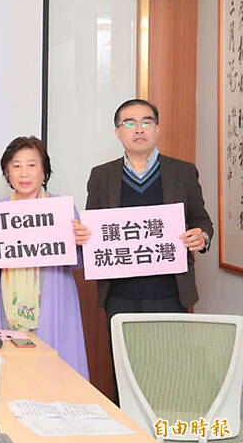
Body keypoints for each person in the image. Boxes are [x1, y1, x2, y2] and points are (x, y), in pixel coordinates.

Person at [79, 99, 213, 324]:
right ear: (118, 132)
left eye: (146, 122)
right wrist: (83, 236)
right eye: (129, 123)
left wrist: (202, 236)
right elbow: (93, 229)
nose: (139, 129)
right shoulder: (101, 176)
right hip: (119, 294)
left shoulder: (183, 172)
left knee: (170, 358)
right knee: (123, 359)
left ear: (157, 128)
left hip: (171, 291)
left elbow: (202, 220)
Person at [0, 136, 89, 379]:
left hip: (53, 297)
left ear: (44, 170)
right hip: (9, 301)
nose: (23, 173)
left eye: (31, 165)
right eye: (16, 166)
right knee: (13, 369)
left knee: (55, 370)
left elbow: (77, 262)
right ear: (7, 172)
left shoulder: (62, 208)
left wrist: (80, 241)